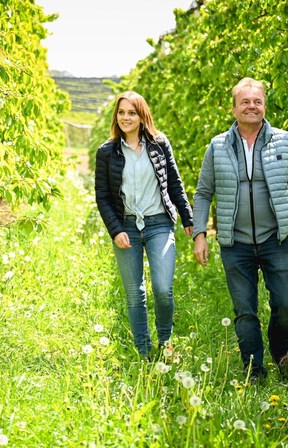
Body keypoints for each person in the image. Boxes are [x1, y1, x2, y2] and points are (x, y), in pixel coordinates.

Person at [192, 77, 288, 382]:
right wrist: (200, 234)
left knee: (285, 304)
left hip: (276, 239)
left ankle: (280, 353)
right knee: (245, 310)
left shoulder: (284, 140)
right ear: (233, 108)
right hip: (236, 243)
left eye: (257, 101)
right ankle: (253, 369)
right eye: (245, 101)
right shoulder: (218, 146)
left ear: (264, 106)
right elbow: (204, 192)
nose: (251, 106)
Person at [95, 91, 194, 358]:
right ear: (116, 117)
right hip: (126, 227)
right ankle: (143, 349)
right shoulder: (106, 152)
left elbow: (174, 182)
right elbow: (102, 196)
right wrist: (116, 230)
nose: (126, 117)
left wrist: (188, 218)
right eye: (121, 112)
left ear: (142, 116)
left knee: (163, 288)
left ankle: (165, 339)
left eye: (132, 112)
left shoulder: (160, 144)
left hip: (159, 224)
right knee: (134, 293)